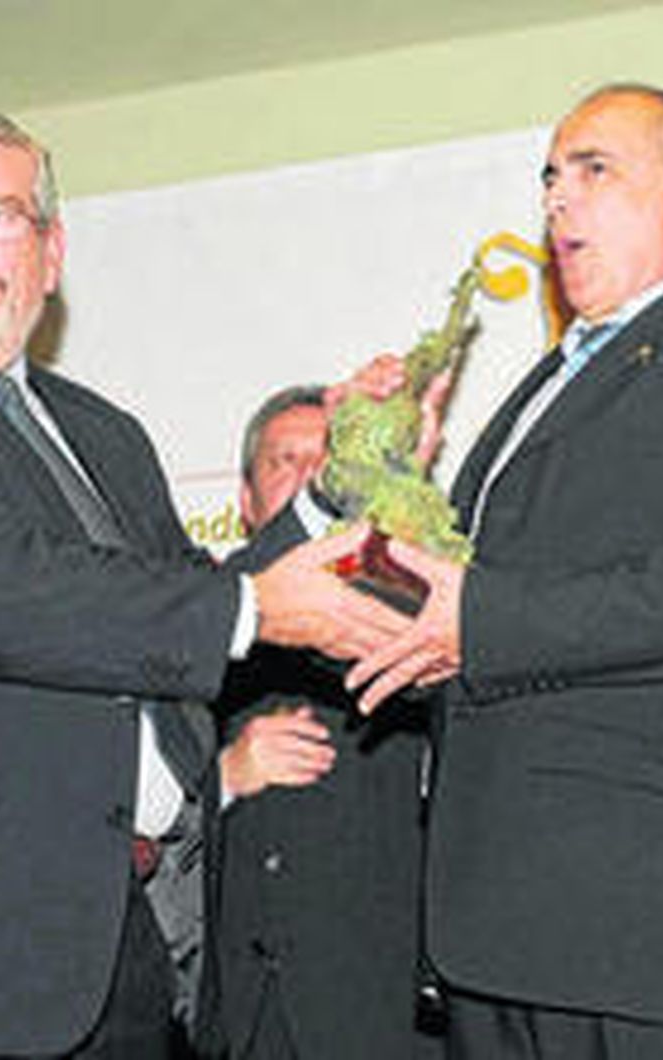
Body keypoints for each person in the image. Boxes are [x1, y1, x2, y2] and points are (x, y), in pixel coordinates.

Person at [0, 100, 408, 1059]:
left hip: (111, 965)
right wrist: (259, 606)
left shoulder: (106, 434)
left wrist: (328, 492)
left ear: (51, 253)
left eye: (0, 216)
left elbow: (180, 607)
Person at [347, 85, 663, 1059]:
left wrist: (490, 620)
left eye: (594, 170)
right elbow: (455, 616)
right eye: (549, 176)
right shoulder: (540, 386)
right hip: (490, 933)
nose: (557, 199)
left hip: (641, 930)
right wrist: (385, 484)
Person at [211, 385, 437, 1060]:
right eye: (287, 461)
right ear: (247, 503)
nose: (315, 475)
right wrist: (222, 775)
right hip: (238, 1013)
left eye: (331, 459)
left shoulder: (422, 609)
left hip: (379, 1013)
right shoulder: (190, 619)